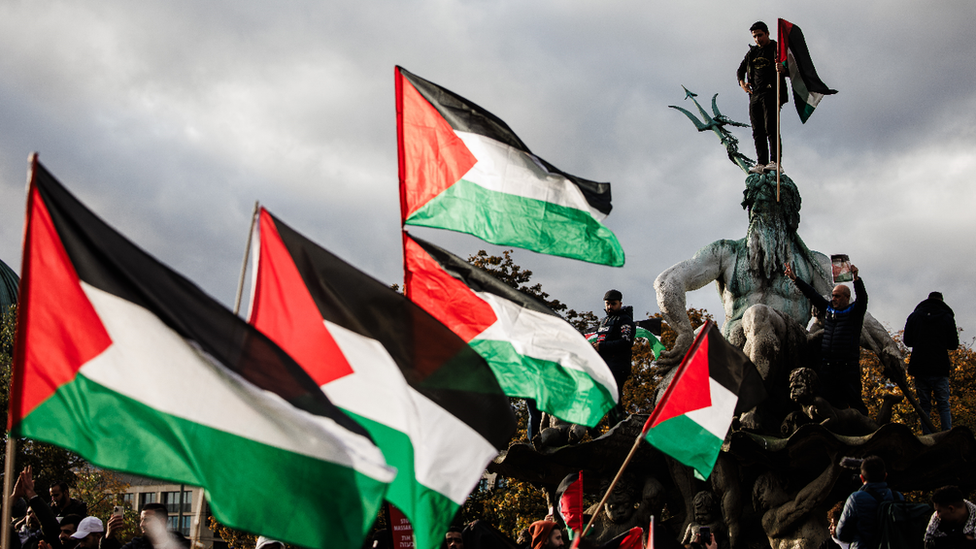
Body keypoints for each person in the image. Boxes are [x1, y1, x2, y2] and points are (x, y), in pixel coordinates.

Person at [785, 263, 869, 415]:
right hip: (828, 367)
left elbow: (862, 299)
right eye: (833, 295)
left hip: (848, 367)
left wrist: (856, 280)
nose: (834, 298)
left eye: (837, 296)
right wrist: (795, 279)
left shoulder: (854, 312)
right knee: (826, 401)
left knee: (855, 401)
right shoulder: (829, 310)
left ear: (846, 297)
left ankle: (865, 431)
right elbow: (812, 294)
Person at [737, 21, 789, 174]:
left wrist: (783, 69)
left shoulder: (776, 49)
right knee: (757, 130)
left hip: (771, 92)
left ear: (767, 33)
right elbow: (740, 70)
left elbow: (791, 68)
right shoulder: (752, 52)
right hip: (755, 94)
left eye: (760, 35)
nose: (757, 39)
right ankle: (761, 162)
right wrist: (742, 83)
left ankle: (775, 161)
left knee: (771, 128)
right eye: (754, 36)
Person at [904, 292, 959, 434]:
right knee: (943, 404)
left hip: (920, 366)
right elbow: (953, 344)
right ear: (941, 301)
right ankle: (947, 434)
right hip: (940, 366)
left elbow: (907, 341)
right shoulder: (947, 317)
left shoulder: (915, 316)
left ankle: (927, 437)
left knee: (924, 406)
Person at [836, 456, 903, 549]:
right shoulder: (898, 497)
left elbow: (841, 534)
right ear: (885, 476)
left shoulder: (855, 499)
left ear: (862, 478)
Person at [593, 289, 635, 424]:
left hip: (618, 366)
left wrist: (602, 347)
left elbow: (625, 342)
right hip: (604, 366)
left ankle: (615, 429)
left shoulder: (625, 320)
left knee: (613, 398)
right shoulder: (604, 321)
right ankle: (599, 432)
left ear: (620, 303)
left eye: (613, 304)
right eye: (607, 304)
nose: (610, 307)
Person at [116, 503, 190, 549]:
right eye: (141, 520)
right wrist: (108, 538)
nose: (142, 524)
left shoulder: (186, 546)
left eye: (146, 520)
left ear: (161, 522)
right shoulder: (134, 546)